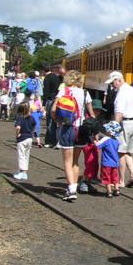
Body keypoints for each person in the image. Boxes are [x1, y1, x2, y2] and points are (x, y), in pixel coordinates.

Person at [51, 70, 95, 202]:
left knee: (67, 161)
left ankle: (71, 190)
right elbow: (92, 114)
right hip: (81, 130)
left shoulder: (64, 91)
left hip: (67, 128)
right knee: (75, 162)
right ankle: (73, 187)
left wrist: (57, 121)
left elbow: (53, 109)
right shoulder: (85, 93)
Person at [106, 71, 133, 188]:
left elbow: (119, 113)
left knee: (121, 152)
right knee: (128, 152)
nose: (112, 85)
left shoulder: (121, 93)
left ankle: (121, 181)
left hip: (125, 123)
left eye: (112, 83)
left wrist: (112, 129)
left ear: (118, 80)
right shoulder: (132, 89)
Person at [78, 99, 106, 194]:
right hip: (87, 142)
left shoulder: (94, 119)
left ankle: (88, 181)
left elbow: (96, 133)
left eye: (99, 110)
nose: (98, 112)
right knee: (90, 161)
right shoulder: (87, 119)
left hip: (92, 143)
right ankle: (84, 181)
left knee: (94, 161)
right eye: (96, 110)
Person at [95, 121, 122, 198]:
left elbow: (98, 145)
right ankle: (117, 189)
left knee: (107, 177)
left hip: (107, 162)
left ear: (110, 131)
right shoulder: (117, 141)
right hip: (115, 162)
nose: (105, 130)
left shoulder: (106, 139)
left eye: (107, 129)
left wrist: (94, 140)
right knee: (115, 177)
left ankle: (109, 191)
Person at [13, 102, 36, 180]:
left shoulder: (20, 117)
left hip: (22, 138)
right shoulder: (31, 117)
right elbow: (34, 125)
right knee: (26, 155)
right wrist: (31, 131)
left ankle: (23, 172)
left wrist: (17, 135)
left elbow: (18, 127)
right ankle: (23, 172)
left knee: (21, 156)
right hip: (29, 138)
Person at [43, 65, 63, 148]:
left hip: (51, 100)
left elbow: (46, 91)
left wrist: (44, 103)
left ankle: (50, 140)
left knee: (50, 121)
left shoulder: (47, 78)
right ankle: (57, 140)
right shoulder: (59, 78)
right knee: (57, 121)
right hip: (59, 100)